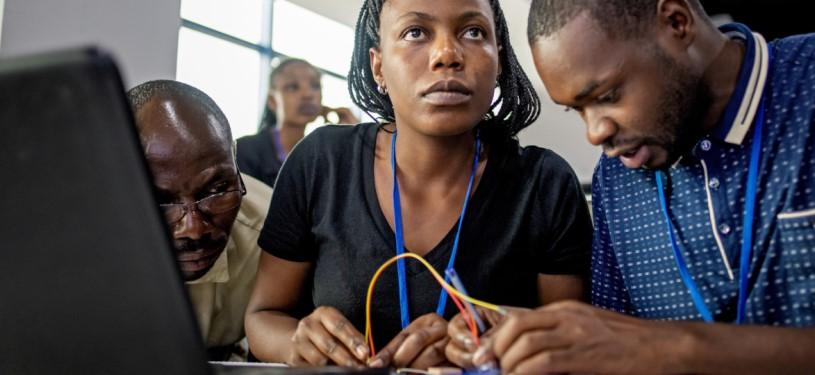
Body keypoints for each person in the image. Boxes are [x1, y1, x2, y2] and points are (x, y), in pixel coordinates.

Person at [468, 0, 815, 373]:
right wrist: (517, 345)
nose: (595, 132)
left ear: (677, 23)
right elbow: (610, 348)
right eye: (577, 110)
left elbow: (646, 348)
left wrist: (680, 349)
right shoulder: (615, 181)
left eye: (606, 96)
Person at [244, 0, 592, 370]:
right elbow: (263, 315)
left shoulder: (545, 184)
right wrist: (296, 343)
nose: (447, 55)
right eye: (415, 33)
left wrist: (492, 346)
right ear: (378, 66)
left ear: (499, 60)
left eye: (473, 32)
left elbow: (570, 348)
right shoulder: (320, 163)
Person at [127, 80, 273, 361]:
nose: (193, 229)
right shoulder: (74, 246)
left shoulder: (269, 233)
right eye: (160, 200)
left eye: (217, 190)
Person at [236, 58, 359, 187]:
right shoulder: (244, 151)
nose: (308, 94)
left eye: (315, 86)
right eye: (293, 87)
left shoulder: (322, 156)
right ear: (272, 100)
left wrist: (350, 146)